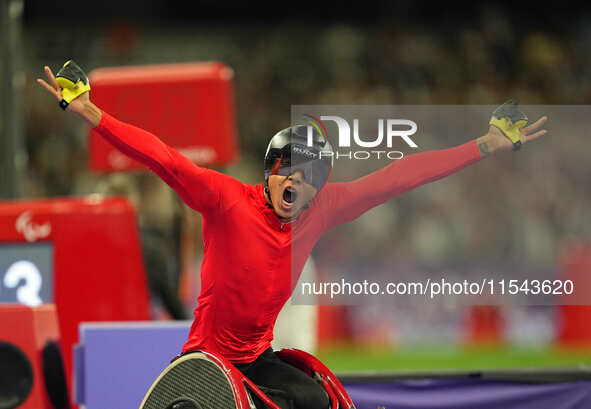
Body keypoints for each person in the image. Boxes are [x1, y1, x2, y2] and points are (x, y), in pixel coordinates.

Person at [38, 62, 547, 409]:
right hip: (206, 364)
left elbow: (400, 175)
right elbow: (163, 157)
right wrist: (91, 113)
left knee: (316, 396)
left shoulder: (321, 210)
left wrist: (483, 145)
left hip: (259, 361)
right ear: (271, 170)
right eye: (289, 172)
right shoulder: (226, 200)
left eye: (309, 178)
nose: (297, 184)